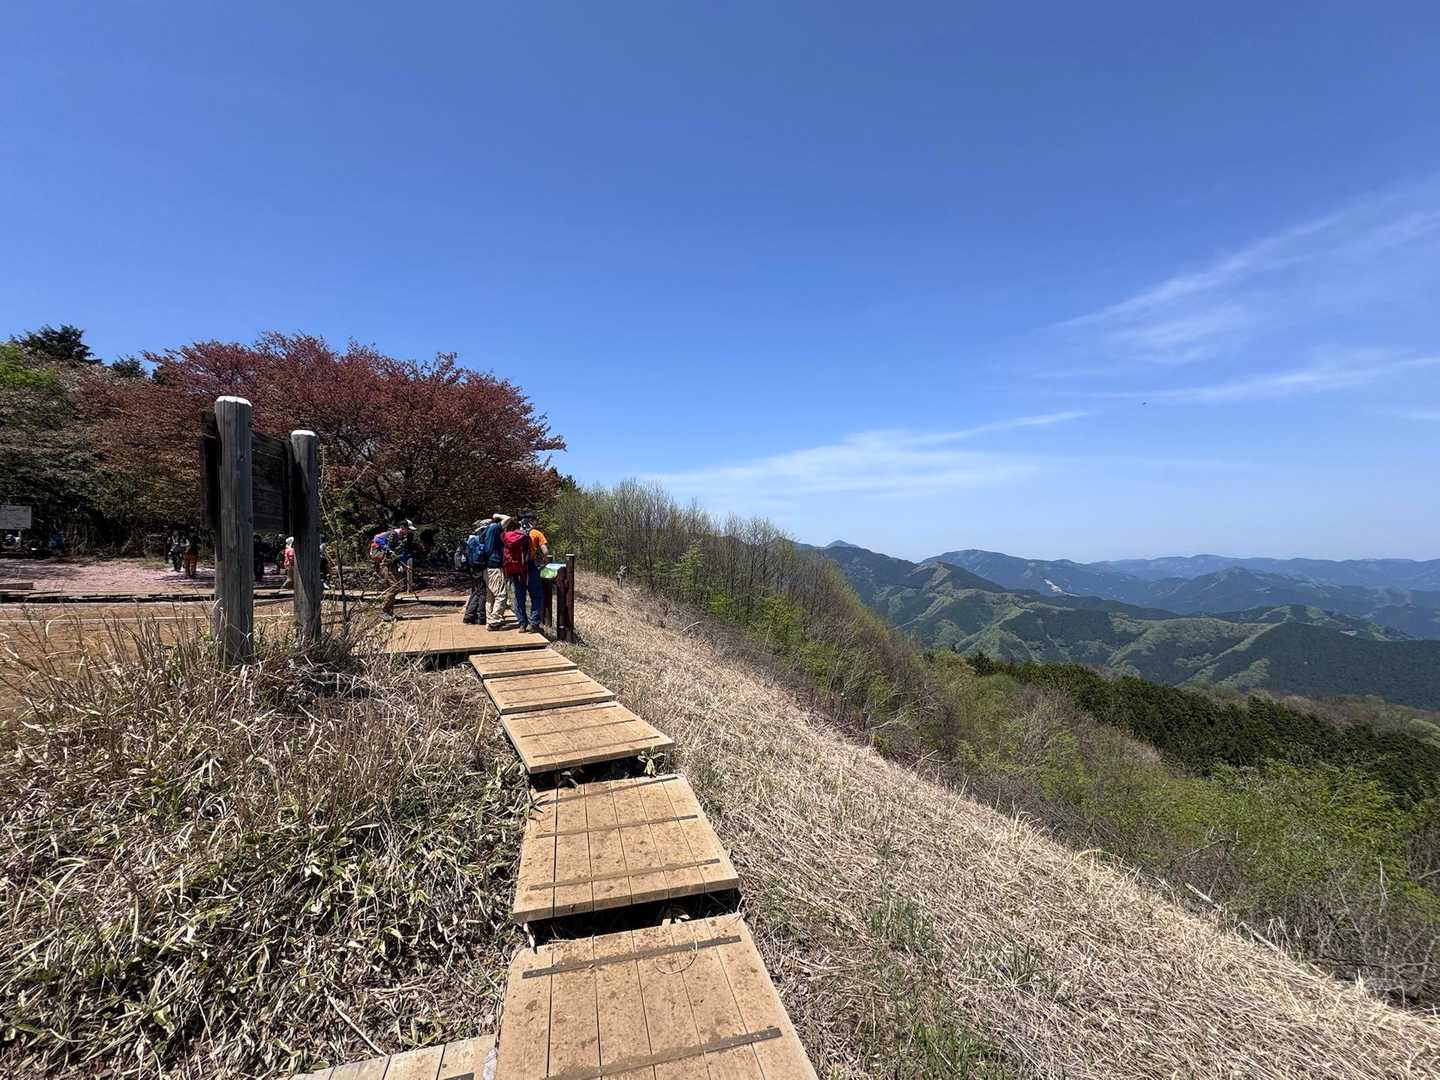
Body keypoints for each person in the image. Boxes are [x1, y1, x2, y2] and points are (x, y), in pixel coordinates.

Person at [370, 521, 416, 621]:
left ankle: (389, 612)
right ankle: (384, 611)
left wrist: (404, 564)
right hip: (384, 564)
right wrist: (386, 548)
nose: (409, 531)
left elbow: (399, 553)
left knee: (396, 586)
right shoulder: (391, 533)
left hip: (393, 563)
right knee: (395, 586)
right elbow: (377, 538)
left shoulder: (402, 538)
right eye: (408, 529)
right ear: (403, 527)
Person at [518, 512, 550, 632]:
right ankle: (533, 624)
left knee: (519, 596)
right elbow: (545, 551)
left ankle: (522, 624)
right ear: (532, 521)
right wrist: (543, 561)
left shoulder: (515, 533)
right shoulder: (537, 533)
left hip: (517, 568)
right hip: (531, 566)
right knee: (536, 595)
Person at [483, 513, 510, 630]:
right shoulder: (494, 528)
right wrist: (497, 515)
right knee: (501, 595)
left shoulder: (487, 530)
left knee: (490, 596)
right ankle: (494, 621)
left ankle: (490, 620)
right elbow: (508, 518)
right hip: (495, 567)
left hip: (488, 567)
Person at [462, 519, 489, 624]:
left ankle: (469, 615)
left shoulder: (472, 538)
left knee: (477, 591)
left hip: (472, 568)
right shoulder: (481, 538)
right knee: (482, 592)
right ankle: (480, 617)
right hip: (480, 567)